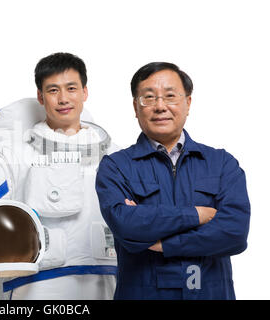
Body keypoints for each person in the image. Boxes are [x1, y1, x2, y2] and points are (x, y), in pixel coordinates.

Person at [0, 52, 118, 300]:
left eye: (71, 88)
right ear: (41, 97)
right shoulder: (15, 159)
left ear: (84, 92)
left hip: (106, 286)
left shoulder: (115, 158)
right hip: (36, 290)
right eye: (53, 90)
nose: (63, 98)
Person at [95, 62, 251, 300]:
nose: (160, 106)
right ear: (136, 107)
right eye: (148, 98)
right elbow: (126, 225)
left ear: (188, 103)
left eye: (170, 96)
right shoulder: (116, 166)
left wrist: (165, 243)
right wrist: (197, 215)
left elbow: (235, 233)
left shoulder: (221, 163)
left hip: (210, 293)